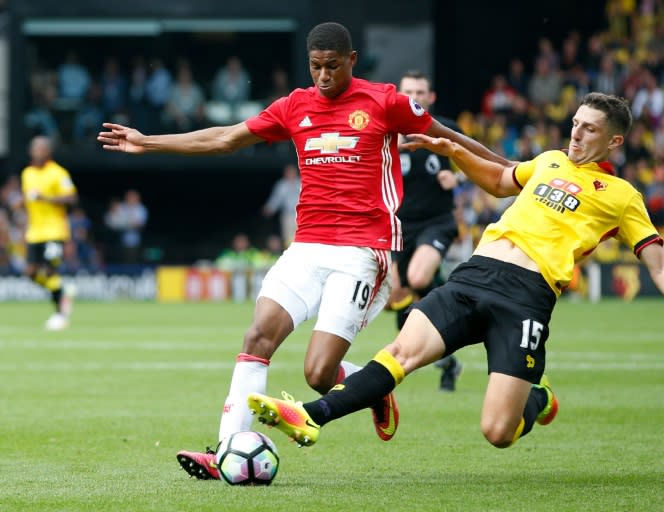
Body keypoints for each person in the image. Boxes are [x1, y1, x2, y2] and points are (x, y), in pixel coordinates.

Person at [98, 22, 507, 480]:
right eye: (316, 67)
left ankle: (370, 385)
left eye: (333, 66)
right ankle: (226, 450)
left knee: (318, 374)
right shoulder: (294, 106)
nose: (324, 76)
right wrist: (148, 142)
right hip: (307, 248)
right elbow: (225, 138)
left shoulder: (385, 102)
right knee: (257, 339)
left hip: (360, 252)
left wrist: (513, 169)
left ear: (352, 61)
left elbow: (451, 138)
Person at [246, 92, 664, 452]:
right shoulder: (548, 162)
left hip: (526, 299)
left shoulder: (623, 197)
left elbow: (660, 263)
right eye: (576, 122)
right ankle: (310, 416)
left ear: (614, 140)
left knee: (497, 433)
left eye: (589, 128)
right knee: (400, 353)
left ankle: (535, 401)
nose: (577, 132)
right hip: (474, 275)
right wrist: (453, 152)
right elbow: (501, 181)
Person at [393, 70, 463, 391]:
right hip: (398, 226)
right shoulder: (388, 132)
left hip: (436, 221)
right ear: (399, 94)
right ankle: (447, 360)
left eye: (421, 92)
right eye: (409, 91)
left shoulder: (445, 130)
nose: (415, 97)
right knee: (396, 294)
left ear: (430, 97)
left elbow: (481, 163)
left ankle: (449, 296)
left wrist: (458, 179)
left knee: (419, 280)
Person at [20, 135, 78, 330]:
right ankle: (63, 292)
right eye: (35, 148)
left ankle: (60, 315)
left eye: (41, 148)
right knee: (30, 273)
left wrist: (46, 198)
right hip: (34, 232)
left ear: (48, 151)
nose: (37, 151)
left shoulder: (58, 173)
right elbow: (29, 204)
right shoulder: (27, 173)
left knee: (51, 271)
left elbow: (71, 198)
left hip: (54, 231)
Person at [262, 163, 301, 247]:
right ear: (285, 173)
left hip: (303, 215)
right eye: (288, 172)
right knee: (289, 238)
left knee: (303, 238)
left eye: (292, 172)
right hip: (288, 215)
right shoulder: (281, 185)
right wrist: (270, 208)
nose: (290, 174)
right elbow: (276, 199)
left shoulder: (302, 183)